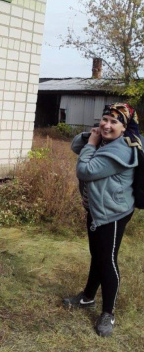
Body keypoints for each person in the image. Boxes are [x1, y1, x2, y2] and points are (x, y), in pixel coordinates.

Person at [63, 103, 141, 337]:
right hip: (98, 210)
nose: (106, 125)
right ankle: (87, 298)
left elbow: (85, 170)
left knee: (107, 260)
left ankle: (108, 312)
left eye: (114, 122)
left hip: (113, 214)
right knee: (97, 255)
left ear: (125, 127)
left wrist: (92, 143)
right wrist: (93, 135)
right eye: (104, 119)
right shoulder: (107, 141)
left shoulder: (120, 150)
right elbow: (75, 144)